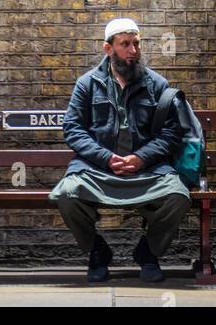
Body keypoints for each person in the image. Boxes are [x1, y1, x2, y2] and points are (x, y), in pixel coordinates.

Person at [49, 17, 192, 282]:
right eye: (125, 44)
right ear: (108, 49)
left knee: (178, 195)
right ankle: (96, 252)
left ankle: (148, 252)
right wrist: (105, 158)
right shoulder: (87, 84)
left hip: (146, 170)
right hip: (97, 169)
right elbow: (73, 129)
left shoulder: (157, 84)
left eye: (136, 43)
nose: (133, 51)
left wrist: (141, 157)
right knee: (67, 194)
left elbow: (171, 133)